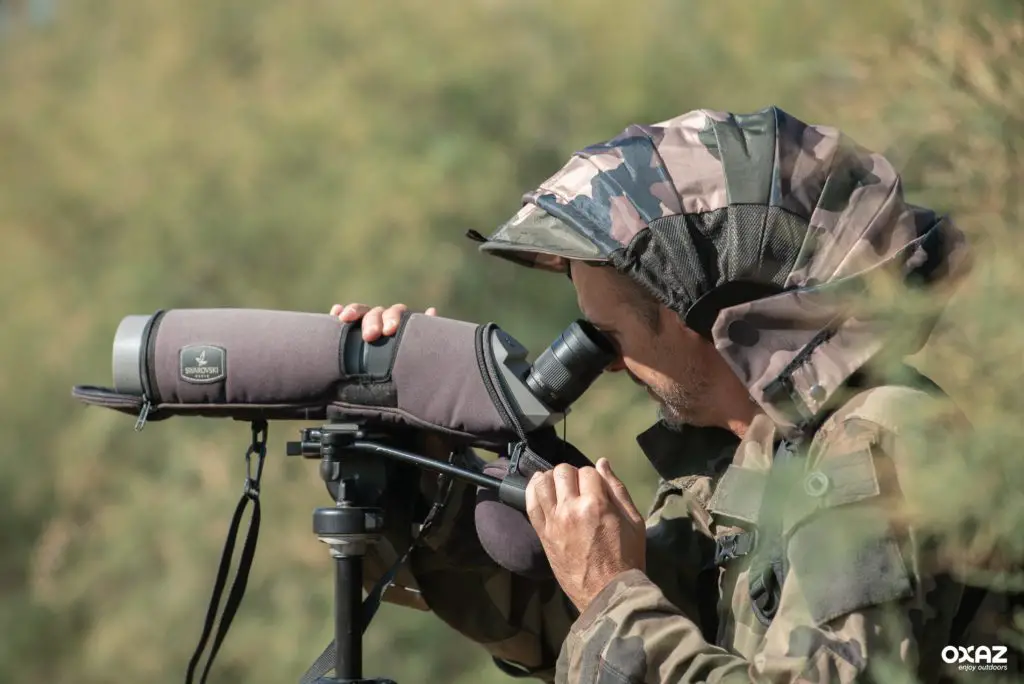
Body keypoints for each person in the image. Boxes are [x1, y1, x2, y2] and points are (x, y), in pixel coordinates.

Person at [328, 107, 1009, 683]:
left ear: (702, 315)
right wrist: (418, 464)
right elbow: (571, 632)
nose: (612, 366)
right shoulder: (753, 456)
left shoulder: (875, 440)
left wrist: (609, 590)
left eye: (606, 335)